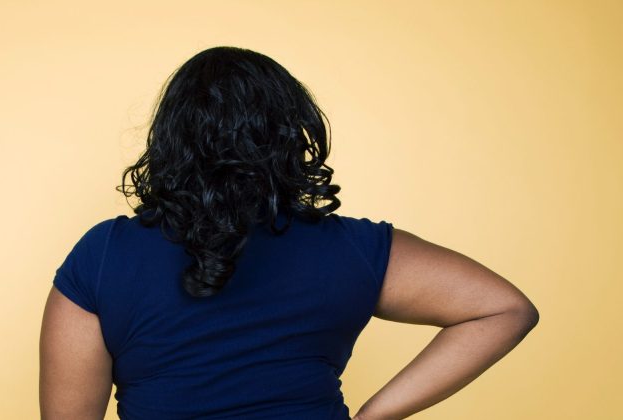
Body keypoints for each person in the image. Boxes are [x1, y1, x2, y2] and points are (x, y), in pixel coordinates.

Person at [39, 46, 539, 420]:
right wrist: (375, 416)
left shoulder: (102, 256)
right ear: (289, 135)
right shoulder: (353, 248)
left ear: (171, 139)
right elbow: (504, 308)